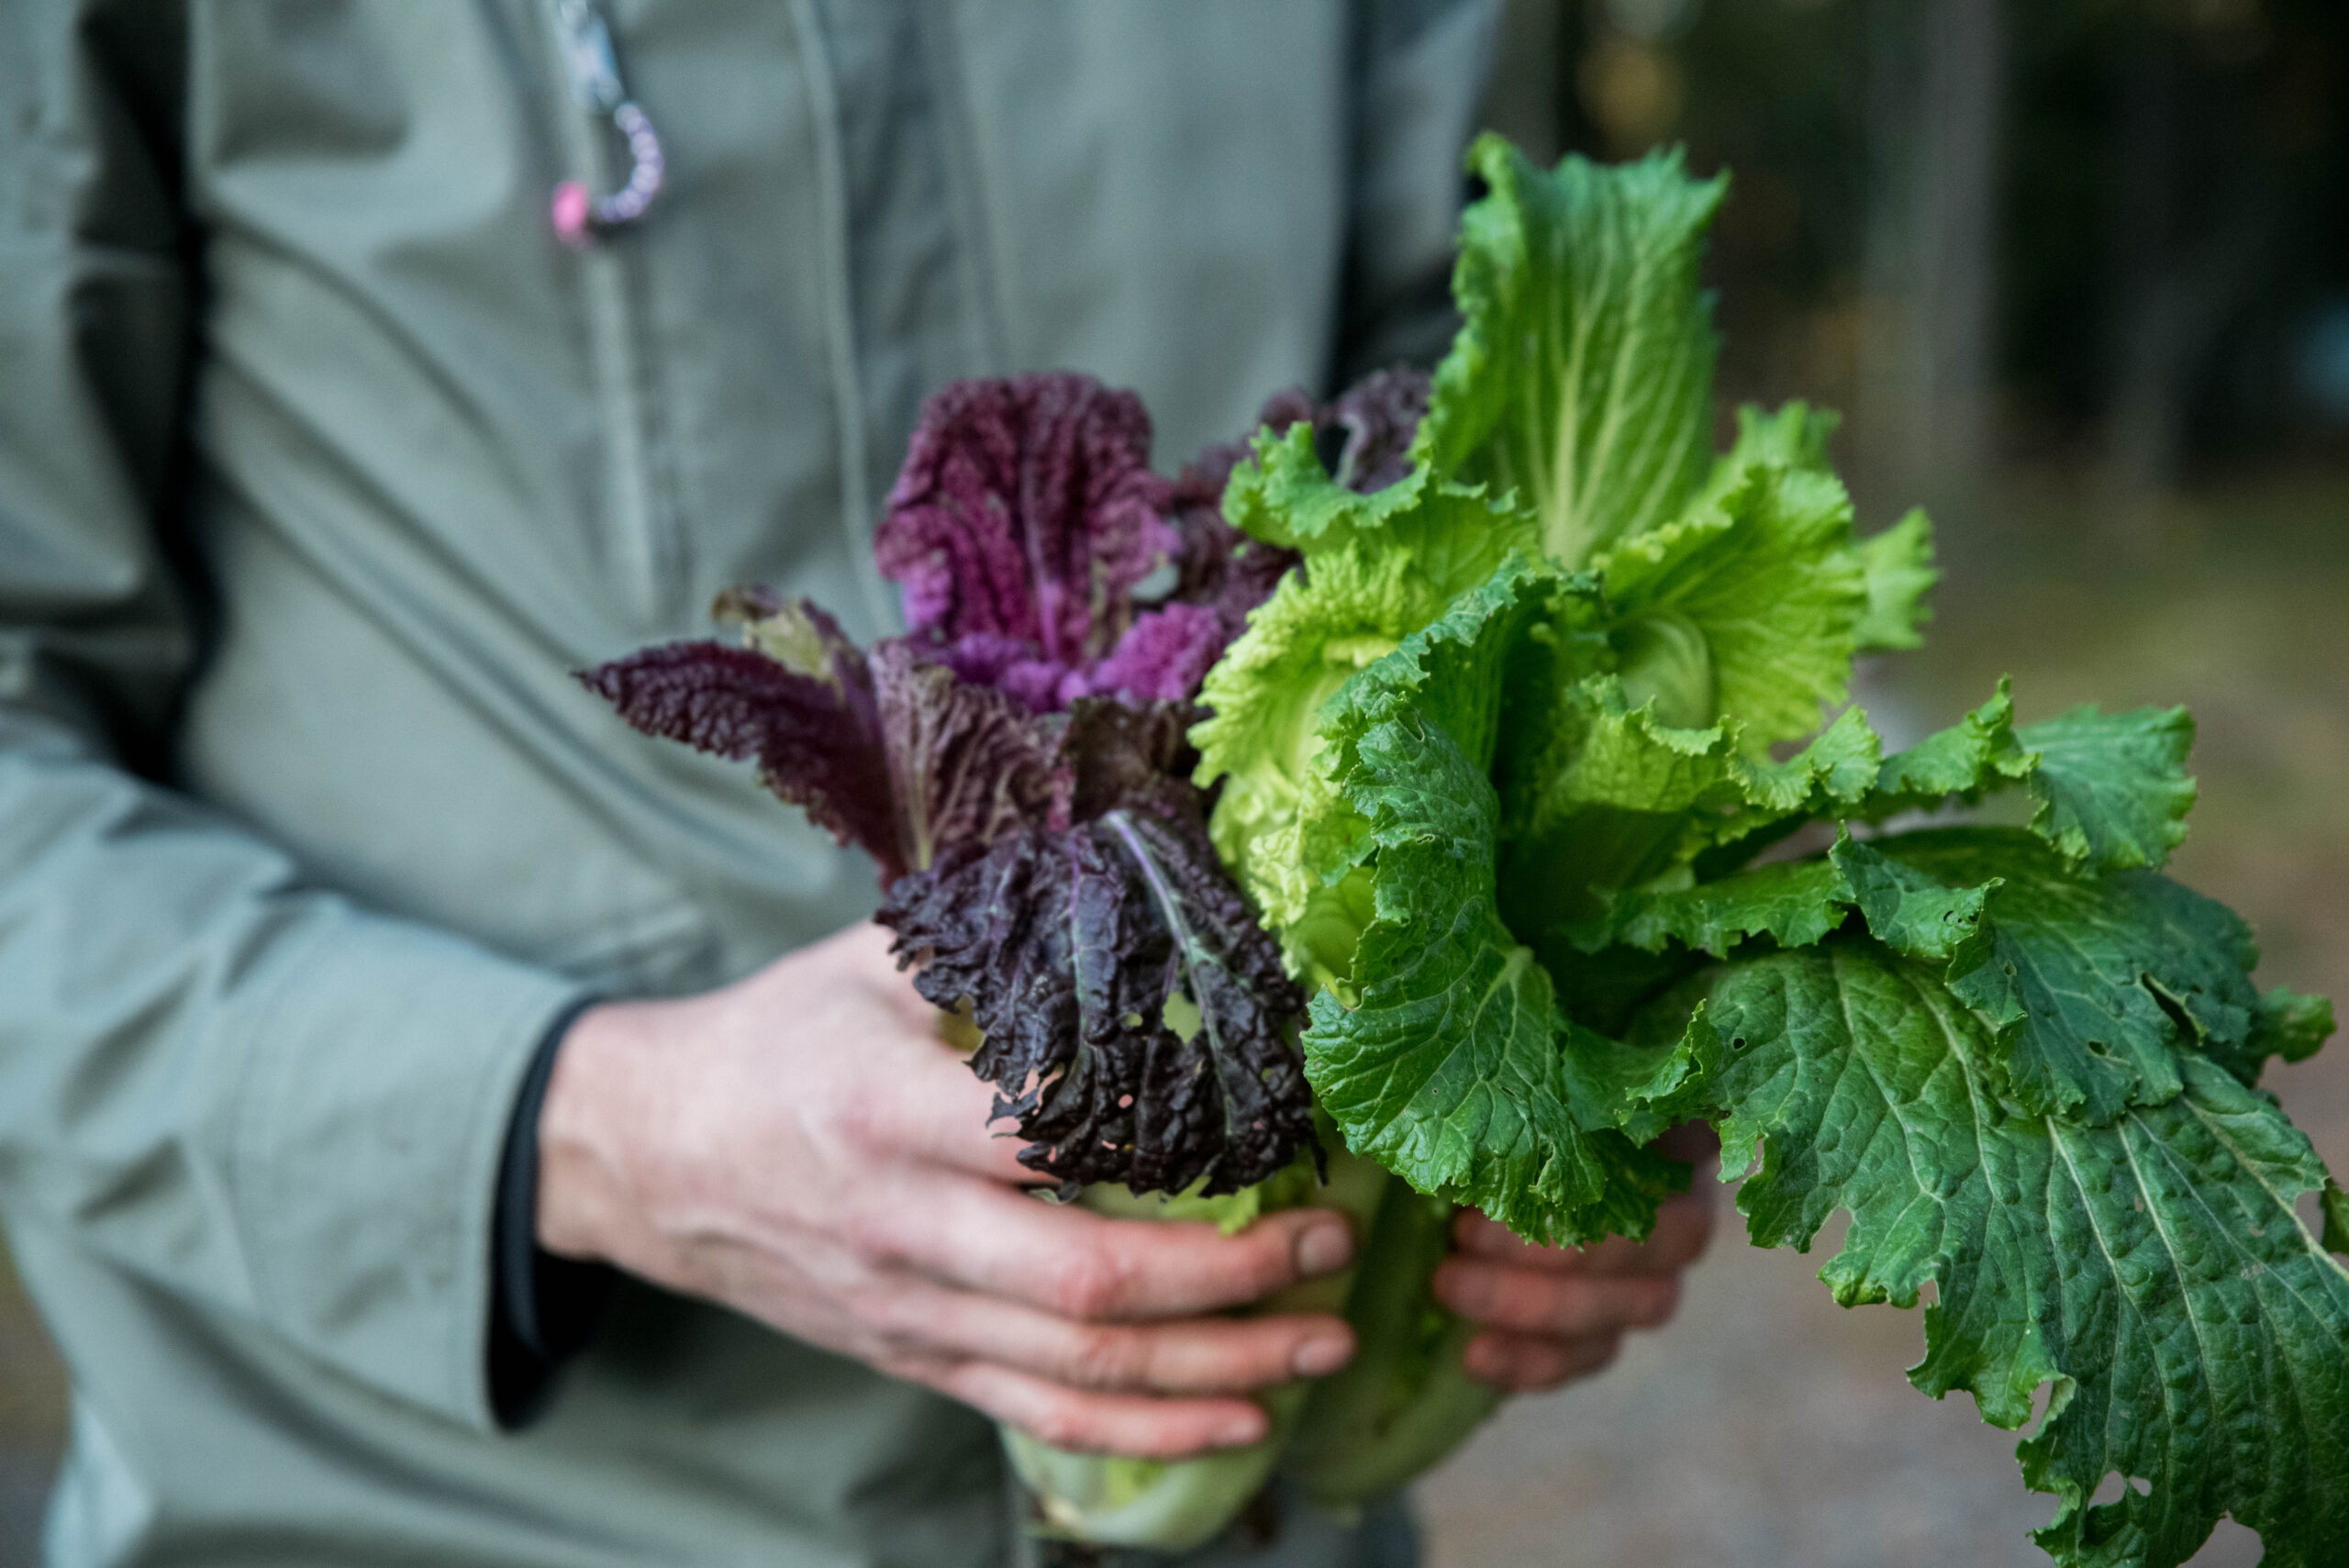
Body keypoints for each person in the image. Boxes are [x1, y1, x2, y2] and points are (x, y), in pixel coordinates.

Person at [0, 4, 1713, 1564]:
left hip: (1262, 1493)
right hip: (433, 1509)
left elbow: (1496, 535)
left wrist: (1595, 1037)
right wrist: (579, 1127)